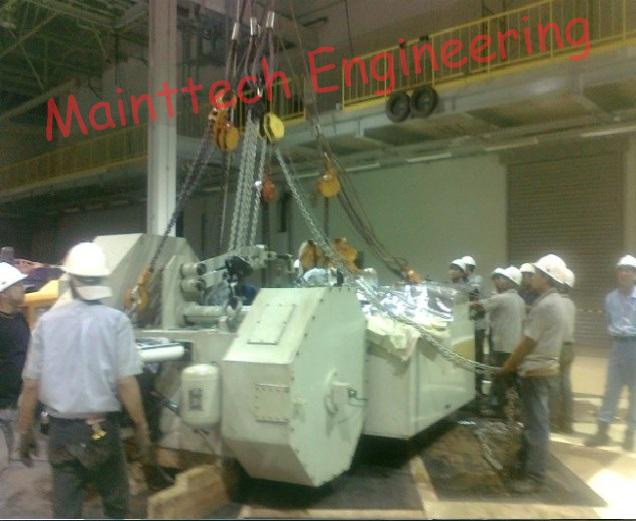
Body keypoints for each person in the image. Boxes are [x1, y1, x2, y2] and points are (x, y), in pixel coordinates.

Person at [17, 242, 150, 519]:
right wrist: (141, 426)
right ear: (103, 278)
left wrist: (25, 432)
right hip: (102, 429)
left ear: (70, 279)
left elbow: (31, 385)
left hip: (61, 432)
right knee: (116, 505)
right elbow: (126, 382)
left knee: (66, 511)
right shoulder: (116, 322)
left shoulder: (46, 323)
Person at [500, 254, 567, 493]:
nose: (532, 277)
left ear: (547, 278)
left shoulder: (545, 306)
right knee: (534, 423)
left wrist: (508, 365)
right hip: (545, 371)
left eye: (536, 274)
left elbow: (528, 342)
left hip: (537, 373)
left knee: (536, 426)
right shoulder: (555, 302)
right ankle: (527, 465)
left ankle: (535, 477)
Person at [585, 255, 636, 451]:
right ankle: (602, 432)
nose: (625, 273)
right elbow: (608, 321)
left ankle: (630, 434)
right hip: (617, 347)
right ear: (617, 273)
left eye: (629, 270)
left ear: (635, 274)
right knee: (611, 390)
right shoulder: (610, 298)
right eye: (621, 269)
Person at [472, 266, 526, 415]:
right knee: (511, 378)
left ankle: (499, 409)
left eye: (503, 279)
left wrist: (461, 302)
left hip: (502, 346)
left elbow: (478, 306)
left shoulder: (502, 298)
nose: (499, 281)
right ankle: (514, 408)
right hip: (515, 346)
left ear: (511, 282)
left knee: (500, 377)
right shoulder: (520, 300)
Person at [0, 262, 29, 452]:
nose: (23, 288)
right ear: (3, 293)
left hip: (14, 403)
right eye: (17, 285)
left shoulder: (18, 318)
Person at [550, 268, 576, 433]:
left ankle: (552, 422)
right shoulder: (570, 303)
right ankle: (567, 423)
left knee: (553, 385)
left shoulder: (555, 302)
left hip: (557, 347)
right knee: (565, 385)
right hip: (569, 347)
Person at [463, 255, 488, 396]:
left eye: (464, 267)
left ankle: (478, 387)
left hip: (478, 326)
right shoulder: (463, 282)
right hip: (465, 327)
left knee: (477, 357)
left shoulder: (477, 280)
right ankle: (468, 387)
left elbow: (474, 295)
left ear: (470, 268)